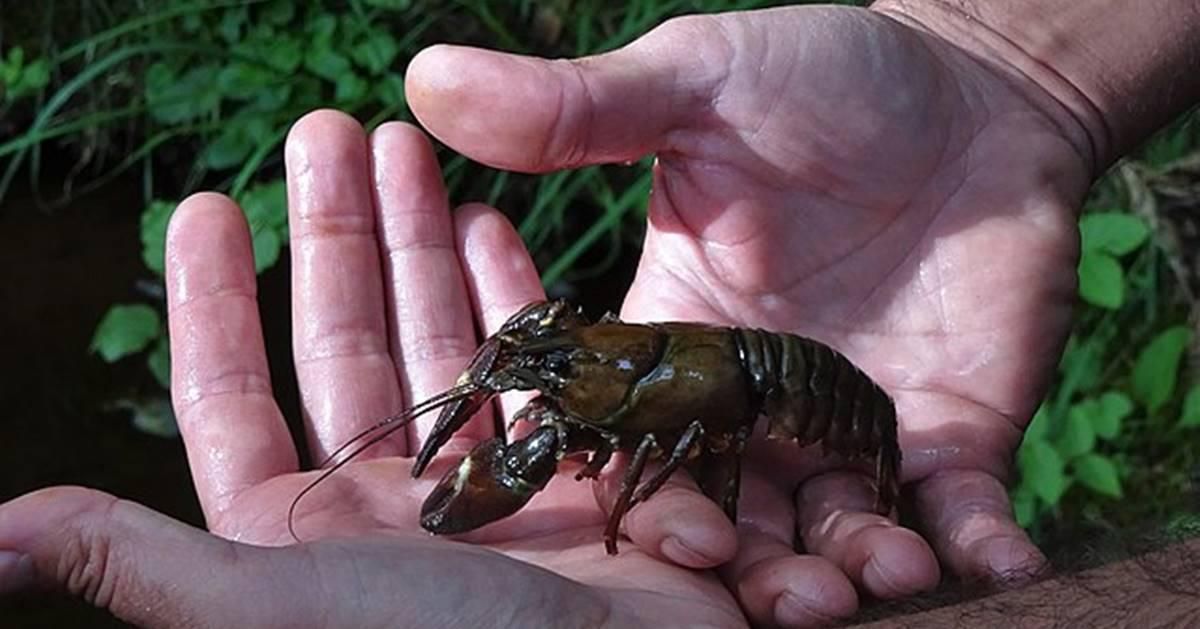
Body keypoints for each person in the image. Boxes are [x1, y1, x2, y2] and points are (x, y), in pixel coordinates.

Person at [2, 2, 1197, 627]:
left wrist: (1000, 63)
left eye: (554, 368)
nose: (540, 375)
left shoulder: (686, 409)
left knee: (668, 457)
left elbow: (688, 442)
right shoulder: (597, 372)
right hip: (739, 373)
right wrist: (999, 61)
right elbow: (580, 371)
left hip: (821, 399)